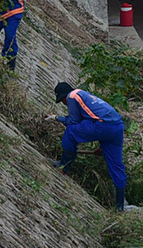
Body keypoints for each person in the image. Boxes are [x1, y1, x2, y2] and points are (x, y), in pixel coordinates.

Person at [55, 80, 130, 209]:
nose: (64, 103)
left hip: (103, 126)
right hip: (117, 126)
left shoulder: (72, 96)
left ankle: (63, 166)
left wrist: (57, 118)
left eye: (61, 100)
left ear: (63, 97)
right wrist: (103, 149)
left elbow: (74, 120)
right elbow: (90, 116)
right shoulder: (84, 95)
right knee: (117, 166)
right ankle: (120, 207)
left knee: (71, 131)